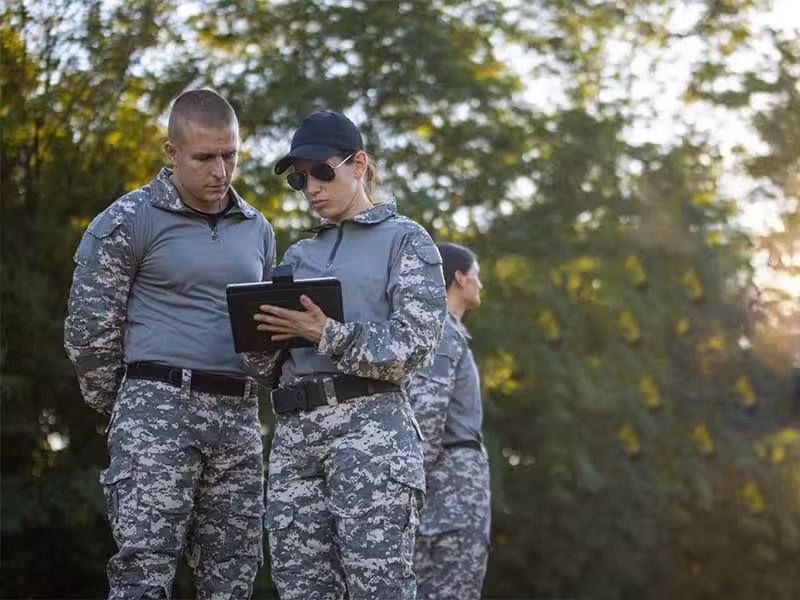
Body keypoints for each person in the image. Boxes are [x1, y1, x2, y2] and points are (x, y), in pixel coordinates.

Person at [64, 88, 276, 600]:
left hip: (238, 420)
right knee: (144, 572)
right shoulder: (128, 219)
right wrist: (131, 405)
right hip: (157, 409)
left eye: (230, 155)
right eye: (205, 157)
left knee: (234, 577)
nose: (220, 171)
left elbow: (266, 335)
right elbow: (90, 329)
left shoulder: (258, 229)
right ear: (172, 152)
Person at [240, 110, 447, 600]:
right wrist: (262, 339)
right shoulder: (296, 258)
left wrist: (326, 333)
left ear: (359, 164)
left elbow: (415, 345)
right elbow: (265, 370)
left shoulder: (406, 241)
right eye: (300, 177)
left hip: (371, 440)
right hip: (295, 444)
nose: (311, 186)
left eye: (322, 171)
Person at [410, 242, 491, 600]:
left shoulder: (448, 331)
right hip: (450, 488)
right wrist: (415, 489)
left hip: (450, 484)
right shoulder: (442, 331)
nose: (480, 284)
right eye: (476, 275)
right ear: (459, 278)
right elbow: (428, 413)